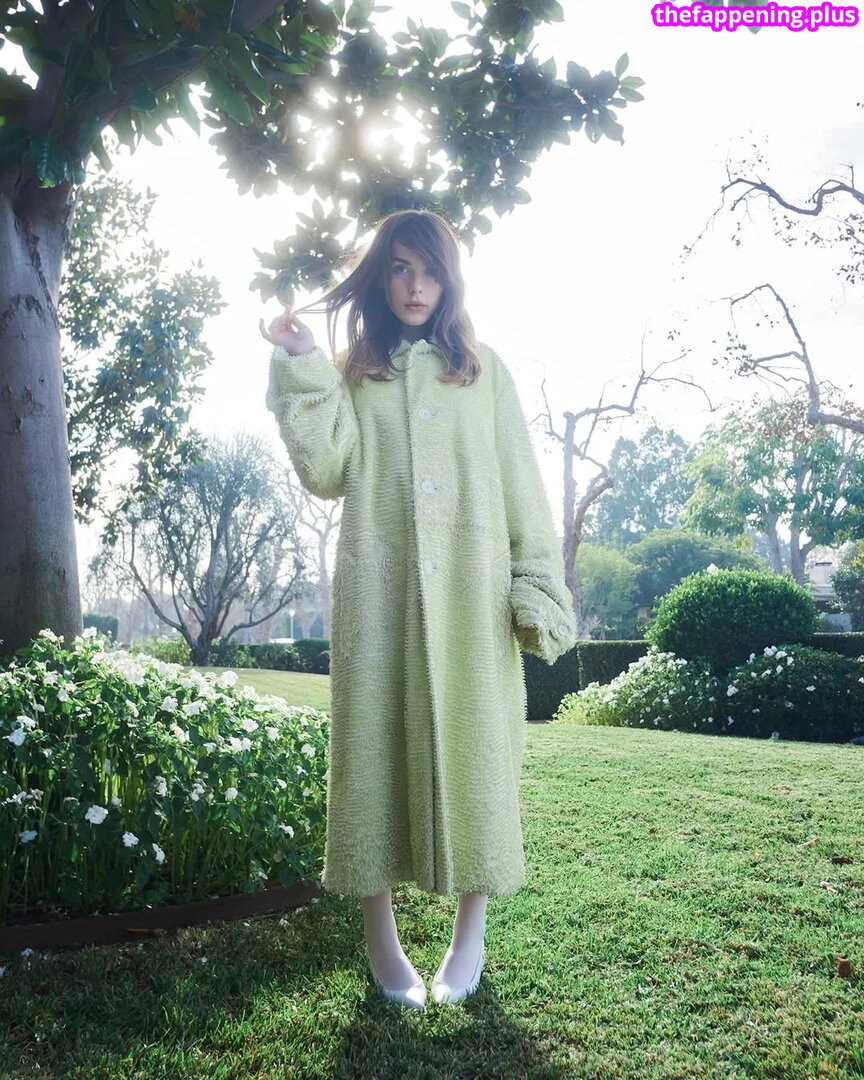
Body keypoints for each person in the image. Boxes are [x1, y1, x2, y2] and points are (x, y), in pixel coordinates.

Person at [260, 209, 578, 1009]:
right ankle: (381, 936)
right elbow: (326, 470)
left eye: (429, 270)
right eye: (400, 268)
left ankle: (470, 936)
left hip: (474, 602)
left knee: (480, 758)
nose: (414, 285)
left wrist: (535, 584)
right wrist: (301, 361)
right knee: (370, 756)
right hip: (378, 595)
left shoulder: (484, 372)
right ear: (380, 277)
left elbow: (522, 485)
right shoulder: (354, 372)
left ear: (450, 280)